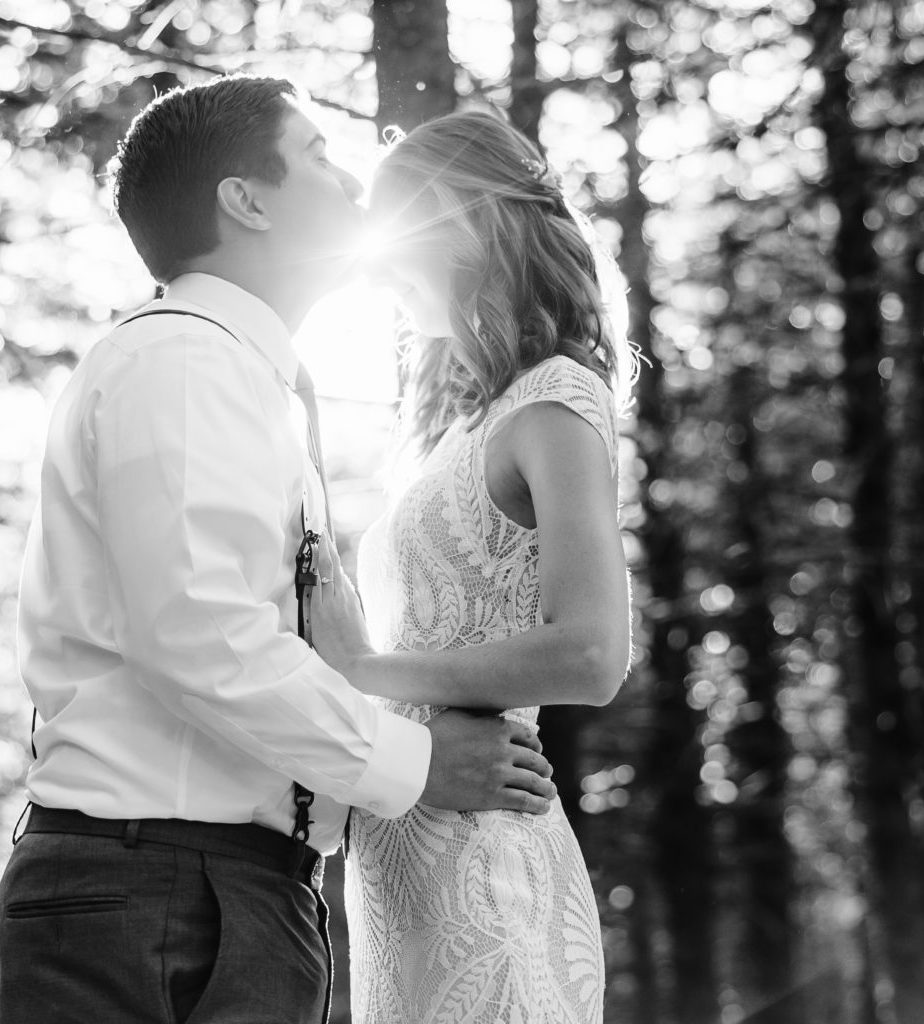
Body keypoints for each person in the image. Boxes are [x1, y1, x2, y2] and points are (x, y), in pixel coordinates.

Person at [0, 76, 560, 1024]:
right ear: (245, 200)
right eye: (318, 159)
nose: (353, 185)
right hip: (153, 891)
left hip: (217, 891)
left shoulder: (242, 377)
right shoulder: (181, 361)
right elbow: (199, 633)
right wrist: (416, 763)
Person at [311, 109, 633, 1024]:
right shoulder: (459, 423)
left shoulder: (555, 402)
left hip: (486, 872)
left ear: (455, 220)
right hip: (403, 866)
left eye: (390, 230)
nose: (375, 265)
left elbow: (591, 655)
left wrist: (365, 671)